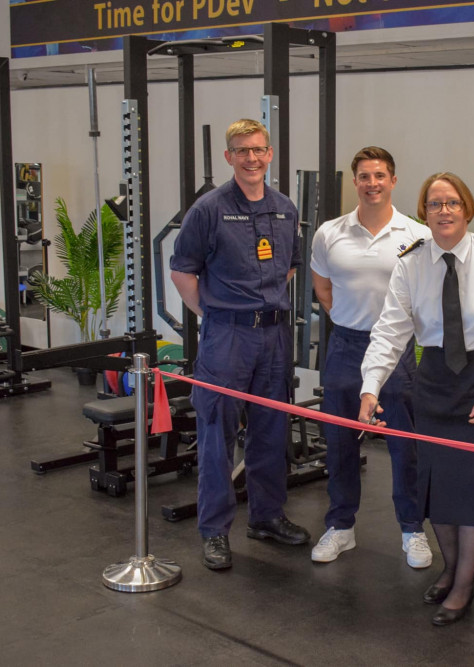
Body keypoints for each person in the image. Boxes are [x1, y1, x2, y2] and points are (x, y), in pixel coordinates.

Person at [358, 172, 474, 626]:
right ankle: (450, 568)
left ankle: (463, 585)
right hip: (437, 379)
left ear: (468, 208)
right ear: (424, 211)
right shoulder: (411, 261)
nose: (444, 211)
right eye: (434, 203)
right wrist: (370, 386)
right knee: (438, 485)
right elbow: (390, 330)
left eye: (452, 202)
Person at [170, 118, 311, 571]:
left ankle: (266, 517)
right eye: (241, 150)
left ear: (269, 154)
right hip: (227, 336)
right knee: (217, 436)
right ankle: (214, 530)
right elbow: (182, 271)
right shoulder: (208, 210)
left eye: (259, 149)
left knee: (271, 431)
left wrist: (262, 306)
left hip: (273, 334)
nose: (251, 158)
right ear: (229, 157)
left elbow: (289, 266)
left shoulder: (285, 208)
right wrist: (212, 315)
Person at [309, 147, 433, 568]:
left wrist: (388, 333)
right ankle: (341, 527)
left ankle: (413, 530)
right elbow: (323, 291)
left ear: (393, 181)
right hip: (345, 346)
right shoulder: (330, 233)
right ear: (355, 182)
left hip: (398, 350)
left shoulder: (417, 234)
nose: (372, 183)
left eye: (380, 175)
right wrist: (351, 323)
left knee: (405, 446)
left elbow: (428, 297)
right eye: (364, 176)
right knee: (340, 443)